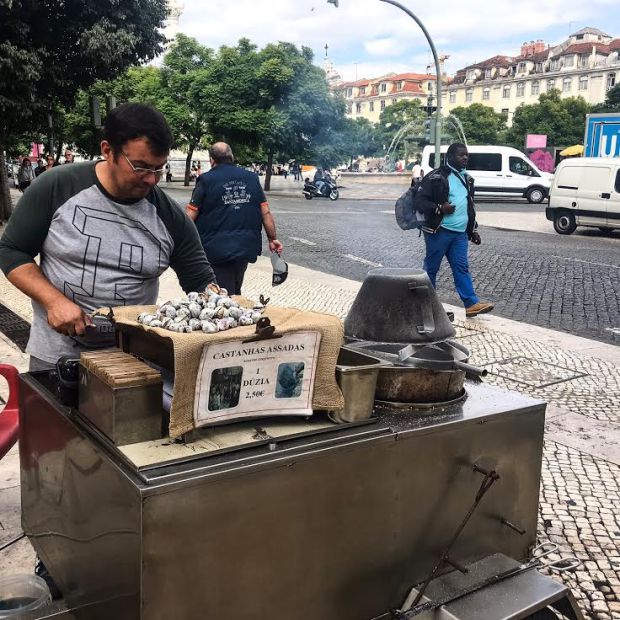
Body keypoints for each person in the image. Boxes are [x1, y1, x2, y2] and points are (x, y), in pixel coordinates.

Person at [0, 102, 218, 370]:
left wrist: (223, 309)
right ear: (107, 151)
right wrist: (53, 301)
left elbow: (201, 282)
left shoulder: (170, 217)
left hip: (132, 361)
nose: (151, 179)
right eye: (140, 167)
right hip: (55, 357)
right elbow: (12, 250)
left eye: (158, 169)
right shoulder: (57, 186)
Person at [185, 142, 283, 295]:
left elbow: (190, 215)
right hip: (245, 246)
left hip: (214, 248)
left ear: (212, 160)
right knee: (235, 287)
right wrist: (272, 239)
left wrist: (178, 240)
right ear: (232, 157)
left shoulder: (206, 180)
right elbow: (265, 212)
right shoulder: (251, 178)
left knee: (222, 293)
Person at [416, 143, 493, 319]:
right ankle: (427, 308)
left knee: (462, 267)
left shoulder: (468, 178)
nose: (465, 158)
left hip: (459, 234)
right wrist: (439, 208)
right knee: (431, 269)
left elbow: (469, 206)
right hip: (439, 231)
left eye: (467, 155)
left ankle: (471, 304)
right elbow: (419, 201)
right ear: (450, 157)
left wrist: (472, 229)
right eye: (461, 155)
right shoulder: (436, 177)